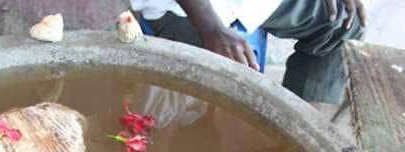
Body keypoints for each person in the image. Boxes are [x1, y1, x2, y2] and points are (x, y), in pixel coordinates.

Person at [131, 0, 367, 103]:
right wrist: (211, 27)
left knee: (345, 25)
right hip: (186, 9)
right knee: (217, 89)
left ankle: (300, 130)